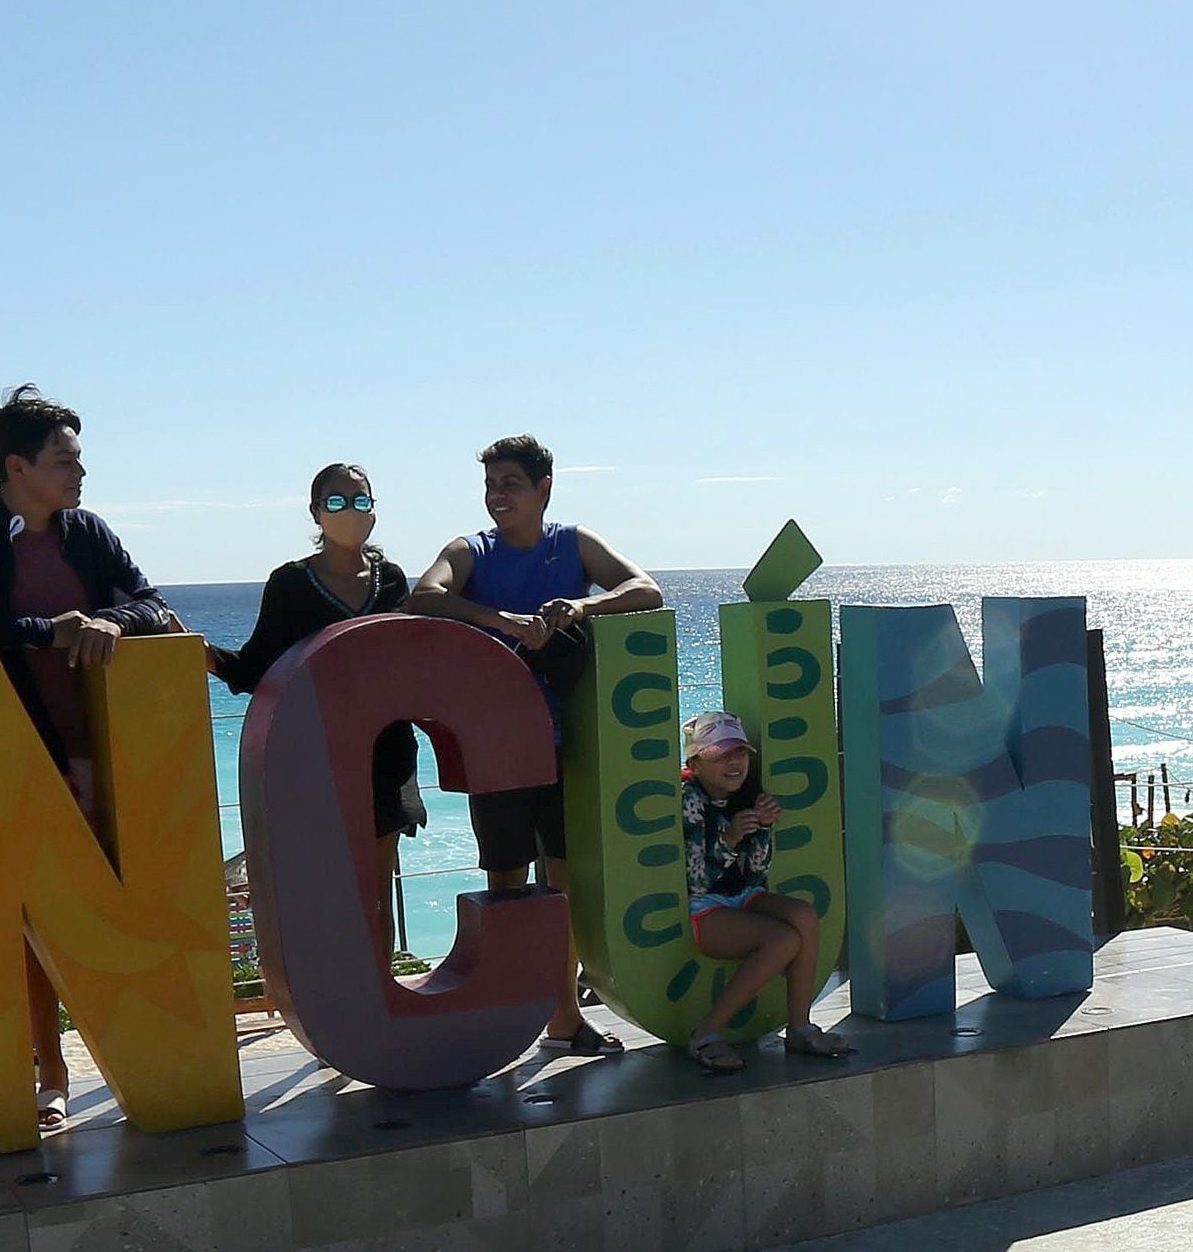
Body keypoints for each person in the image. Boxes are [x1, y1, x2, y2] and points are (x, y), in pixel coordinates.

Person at [414, 435, 666, 1060]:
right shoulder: (470, 550)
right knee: (506, 888)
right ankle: (504, 1024)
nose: (498, 495)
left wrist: (580, 608)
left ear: (543, 488)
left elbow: (646, 590)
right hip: (496, 746)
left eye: (511, 484)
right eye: (492, 484)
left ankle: (562, 1018)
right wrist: (506, 622)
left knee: (562, 885)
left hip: (565, 746)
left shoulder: (573, 544)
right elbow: (422, 596)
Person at [0, 388, 188, 800]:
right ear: (17, 466)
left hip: (112, 753)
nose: (81, 471)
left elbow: (154, 606)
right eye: (65, 461)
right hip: (15, 758)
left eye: (78, 458)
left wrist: (111, 621)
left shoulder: (89, 532)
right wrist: (44, 632)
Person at [216, 465, 429, 965]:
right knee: (329, 888)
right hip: (316, 755)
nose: (350, 512)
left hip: (386, 751)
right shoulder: (290, 583)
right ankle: (337, 1002)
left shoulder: (391, 577)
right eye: (336, 502)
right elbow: (256, 668)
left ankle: (379, 1007)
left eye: (360, 501)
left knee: (377, 884)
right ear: (315, 512)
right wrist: (203, 653)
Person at [673, 711, 847, 1071]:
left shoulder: (748, 793)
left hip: (742, 893)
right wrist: (730, 838)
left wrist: (763, 828)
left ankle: (800, 1025)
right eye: (719, 755)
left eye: (739, 753)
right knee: (782, 940)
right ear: (696, 763)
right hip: (702, 903)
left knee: (804, 915)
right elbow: (698, 881)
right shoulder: (689, 799)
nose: (733, 762)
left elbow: (755, 873)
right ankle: (706, 1033)